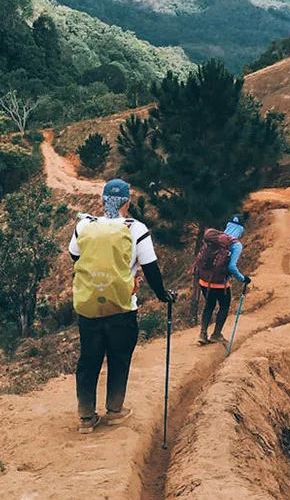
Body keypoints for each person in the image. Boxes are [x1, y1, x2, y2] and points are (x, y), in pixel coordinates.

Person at [69, 178, 176, 434]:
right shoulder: (136, 229)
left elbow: (75, 255)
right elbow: (150, 268)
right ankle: (115, 411)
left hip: (90, 307)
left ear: (102, 201)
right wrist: (163, 295)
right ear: (127, 203)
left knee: (89, 360)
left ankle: (86, 417)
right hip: (122, 307)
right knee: (119, 358)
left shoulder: (84, 225)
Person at [193, 215, 252, 346]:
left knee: (209, 304)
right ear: (241, 229)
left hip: (204, 281)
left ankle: (203, 333)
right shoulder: (235, 244)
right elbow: (231, 267)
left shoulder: (214, 238)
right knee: (224, 306)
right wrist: (243, 279)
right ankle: (216, 334)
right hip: (220, 284)